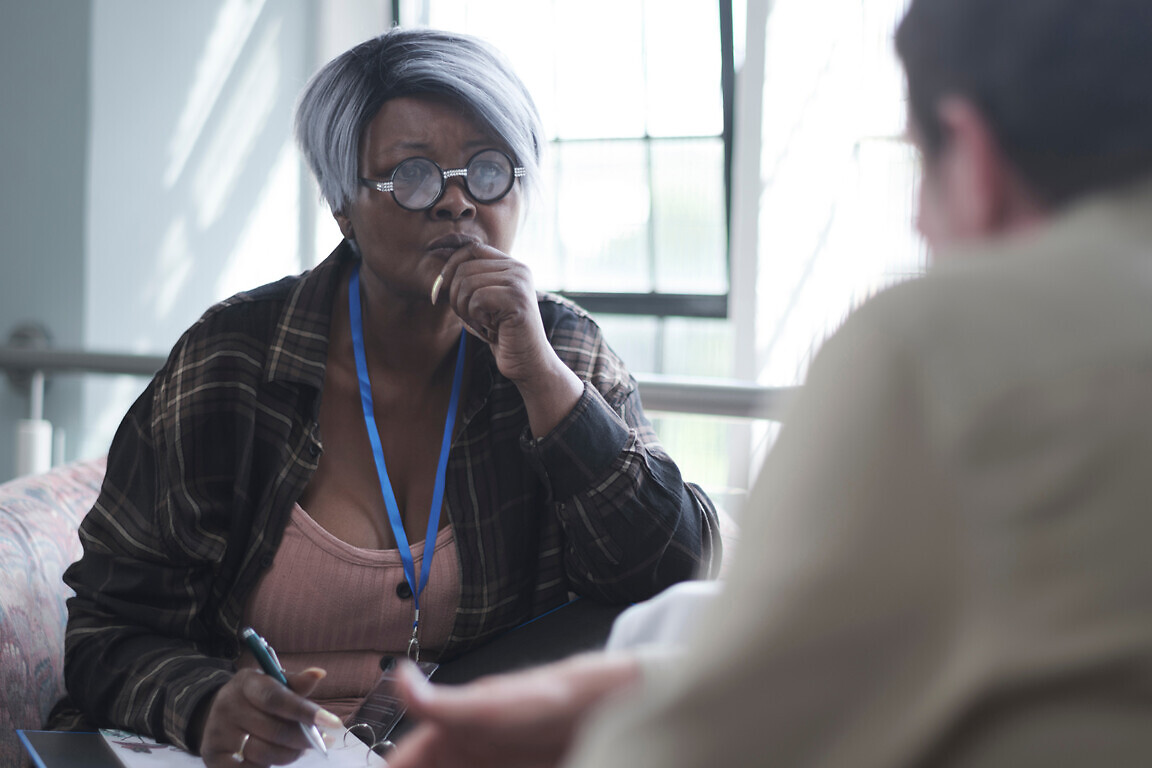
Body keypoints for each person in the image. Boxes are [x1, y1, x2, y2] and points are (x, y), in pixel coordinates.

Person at [384, 0, 1152, 765]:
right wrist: (640, 687)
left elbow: (721, 721)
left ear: (975, 158)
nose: (920, 219)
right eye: (411, 176)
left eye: (920, 163)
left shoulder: (940, 343)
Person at [49, 27, 721, 767]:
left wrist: (541, 379)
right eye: (414, 176)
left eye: (489, 170)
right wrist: (206, 704)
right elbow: (109, 629)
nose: (458, 202)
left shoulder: (560, 348)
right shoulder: (233, 363)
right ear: (343, 206)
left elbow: (676, 581)